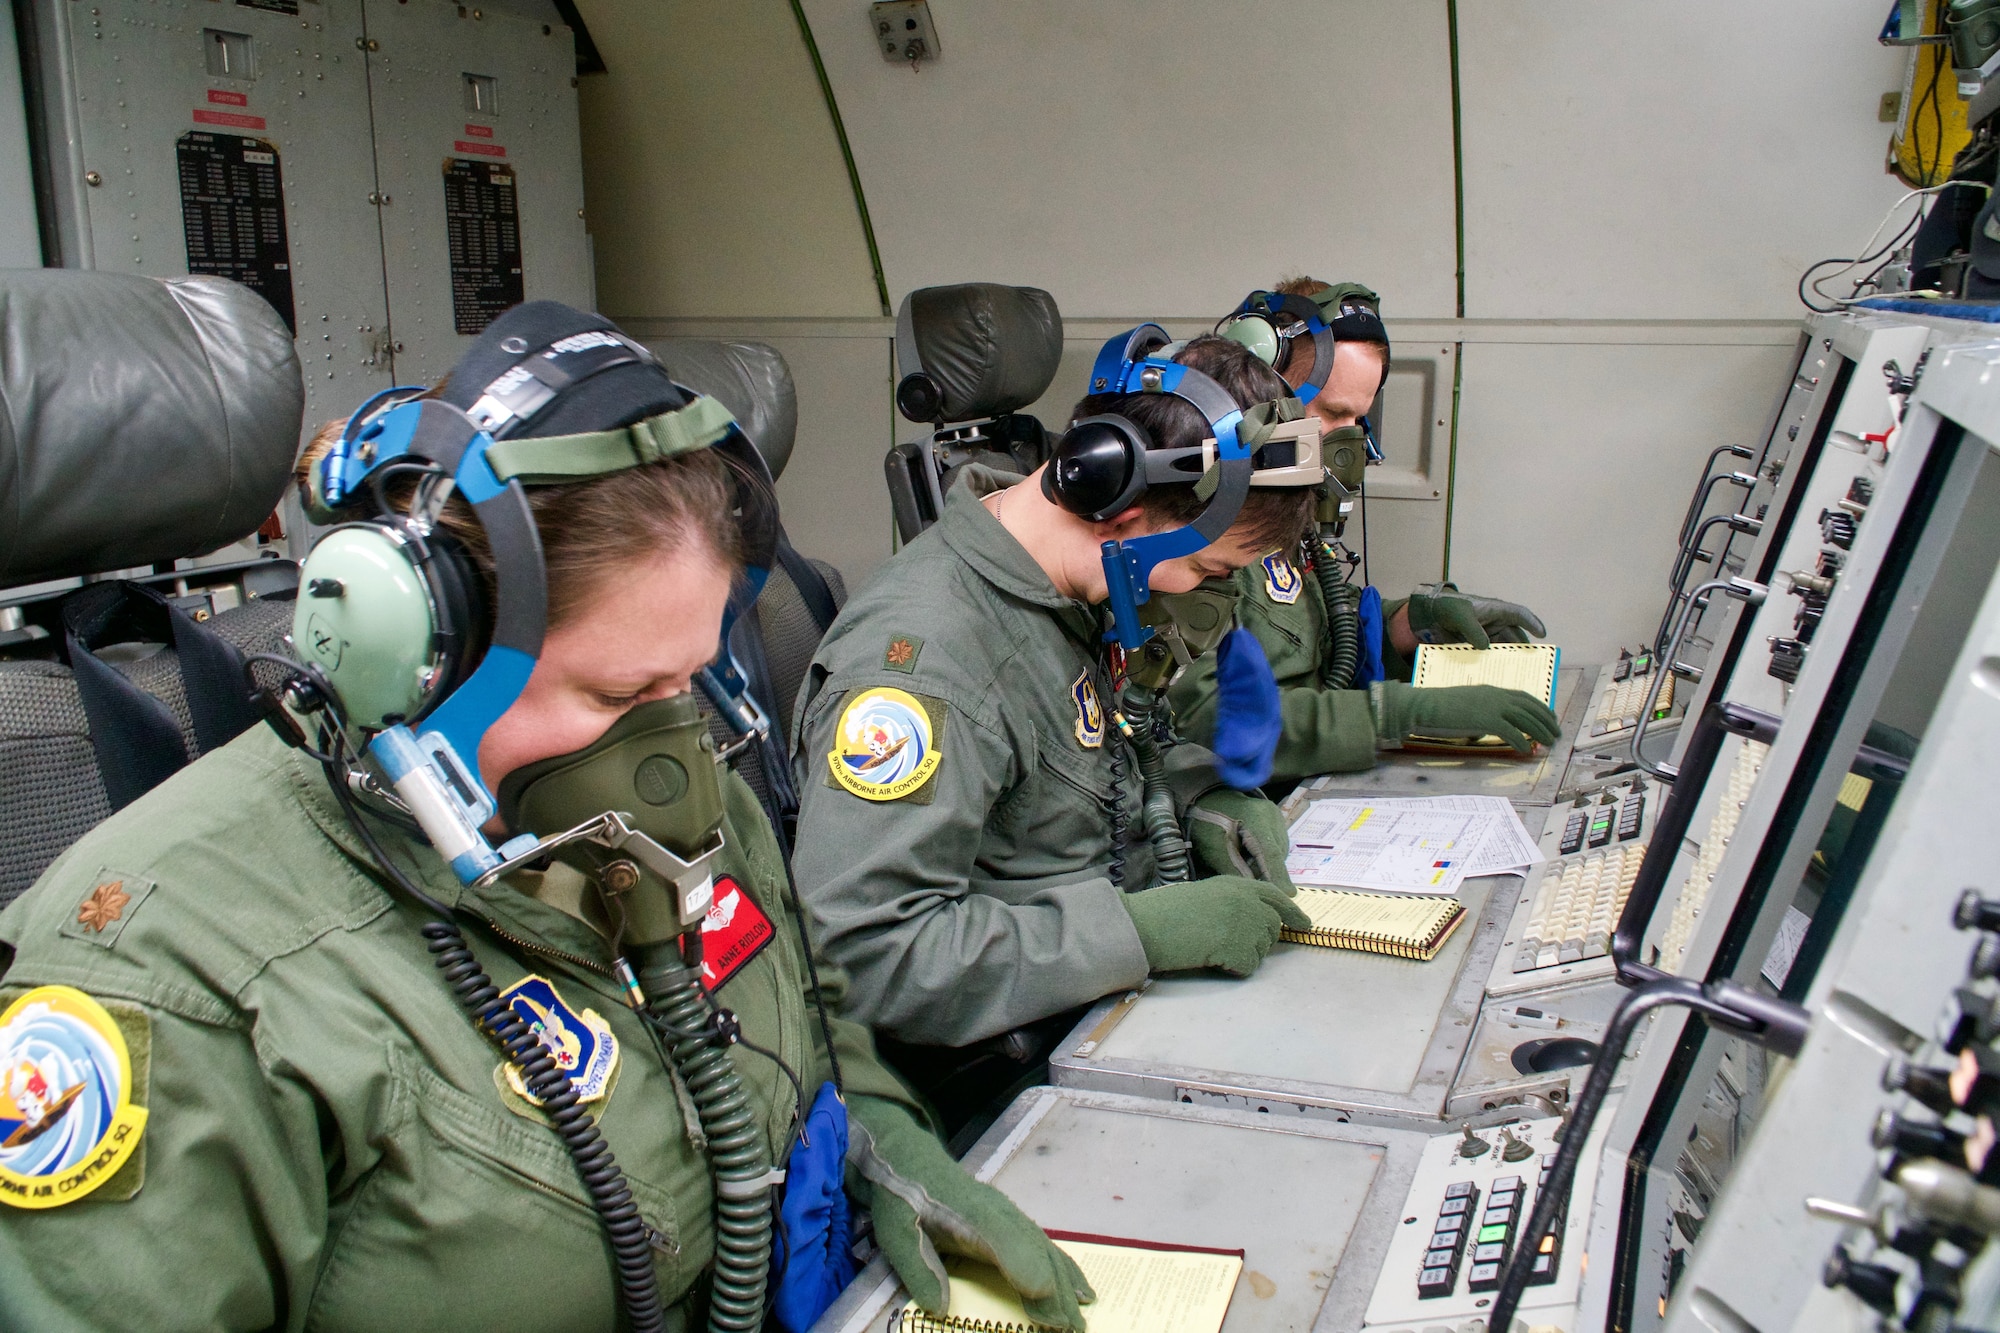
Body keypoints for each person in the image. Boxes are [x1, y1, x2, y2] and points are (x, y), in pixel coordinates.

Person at [0, 303, 1094, 1333]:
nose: (673, 748)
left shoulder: (681, 784)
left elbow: (807, 1008)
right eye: (618, 695)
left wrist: (876, 1130)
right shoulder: (167, 985)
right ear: (414, 657)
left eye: (695, 676)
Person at [789, 332, 1318, 1131]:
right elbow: (864, 956)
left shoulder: (1063, 592)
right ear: (1125, 509)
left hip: (1105, 1017)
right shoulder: (927, 668)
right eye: (1209, 572)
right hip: (1009, 1080)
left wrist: (1202, 797)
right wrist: (1139, 933)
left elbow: (1081, 772)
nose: (1211, 597)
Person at [1171, 276, 1560, 784]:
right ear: (1257, 385)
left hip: (1311, 781)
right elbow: (1201, 713)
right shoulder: (1191, 512)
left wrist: (1413, 626)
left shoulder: (1284, 511)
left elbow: (1320, 636)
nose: (1349, 440)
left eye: (1359, 417)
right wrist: (1394, 715)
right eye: (1333, 413)